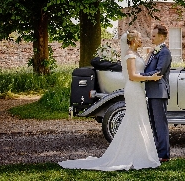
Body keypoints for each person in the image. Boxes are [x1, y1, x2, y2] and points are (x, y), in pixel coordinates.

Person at [58, 30, 162, 171]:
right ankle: (133, 155)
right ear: (132, 41)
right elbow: (132, 76)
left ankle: (139, 153)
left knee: (138, 120)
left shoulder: (136, 54)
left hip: (138, 90)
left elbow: (141, 67)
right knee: (135, 119)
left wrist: (151, 54)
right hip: (133, 89)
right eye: (139, 38)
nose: (141, 40)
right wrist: (151, 78)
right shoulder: (130, 55)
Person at [141, 23, 172, 162]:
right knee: (153, 124)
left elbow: (159, 72)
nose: (151, 38)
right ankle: (157, 152)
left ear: (161, 37)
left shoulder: (165, 52)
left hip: (159, 92)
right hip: (151, 92)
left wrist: (141, 76)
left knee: (160, 124)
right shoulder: (155, 52)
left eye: (154, 36)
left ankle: (164, 155)